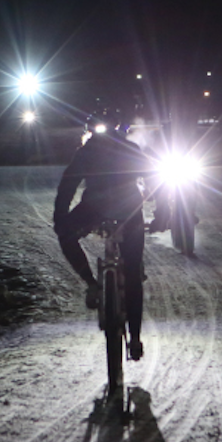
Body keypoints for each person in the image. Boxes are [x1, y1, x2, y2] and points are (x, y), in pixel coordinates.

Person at [52, 107, 169, 361]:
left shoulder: (86, 152)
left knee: (66, 235)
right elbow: (154, 180)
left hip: (94, 209)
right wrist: (162, 212)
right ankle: (135, 338)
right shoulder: (130, 149)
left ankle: (91, 284)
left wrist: (60, 217)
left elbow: (67, 186)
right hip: (130, 211)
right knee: (132, 275)